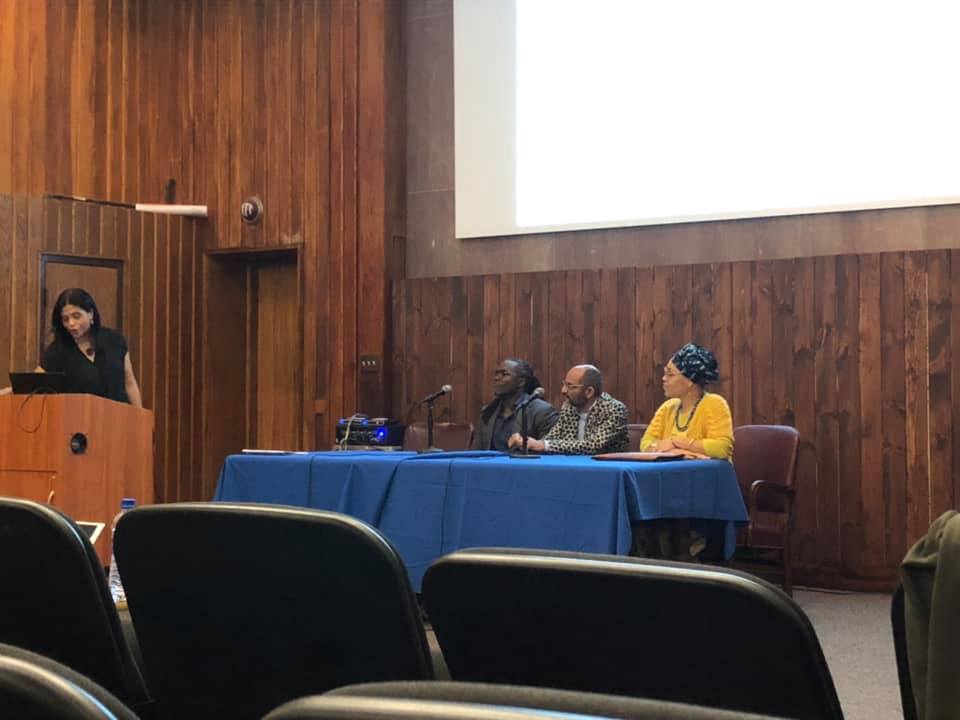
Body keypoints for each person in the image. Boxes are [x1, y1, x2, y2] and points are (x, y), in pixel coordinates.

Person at [2, 288, 143, 407]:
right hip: (83, 423)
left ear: (91, 313)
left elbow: (130, 383)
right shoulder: (59, 349)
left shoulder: (114, 340)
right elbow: (33, 384)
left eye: (76, 316)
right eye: (65, 319)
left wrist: (141, 420)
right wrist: (7, 391)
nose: (71, 324)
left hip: (123, 420)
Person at [639, 343, 733, 460]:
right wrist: (678, 452)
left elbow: (721, 448)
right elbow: (645, 444)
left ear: (690, 380)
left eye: (670, 374)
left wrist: (676, 441)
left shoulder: (714, 404)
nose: (664, 379)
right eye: (665, 373)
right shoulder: (667, 407)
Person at [509, 364, 628, 454]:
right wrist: (526, 443)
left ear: (589, 392)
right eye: (564, 384)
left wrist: (543, 445)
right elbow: (552, 438)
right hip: (572, 468)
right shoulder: (569, 407)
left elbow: (594, 445)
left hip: (605, 471)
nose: (563, 391)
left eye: (570, 386)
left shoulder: (614, 409)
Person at [471, 358, 559, 451]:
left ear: (521, 382)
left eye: (504, 374)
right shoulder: (488, 412)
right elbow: (476, 451)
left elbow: (550, 450)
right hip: (490, 465)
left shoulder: (542, 411)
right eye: (496, 374)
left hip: (525, 465)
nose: (496, 378)